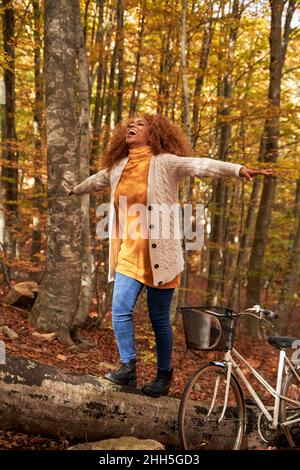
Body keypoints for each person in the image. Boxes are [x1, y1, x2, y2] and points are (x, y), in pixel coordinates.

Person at [69, 113, 273, 398]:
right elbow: (96, 181)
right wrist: (75, 189)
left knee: (159, 319)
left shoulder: (165, 163)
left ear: (153, 135)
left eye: (140, 125)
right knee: (119, 310)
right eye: (130, 124)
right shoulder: (118, 167)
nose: (132, 126)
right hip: (128, 253)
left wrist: (238, 169)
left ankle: (164, 375)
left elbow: (201, 165)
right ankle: (127, 367)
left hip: (161, 257)